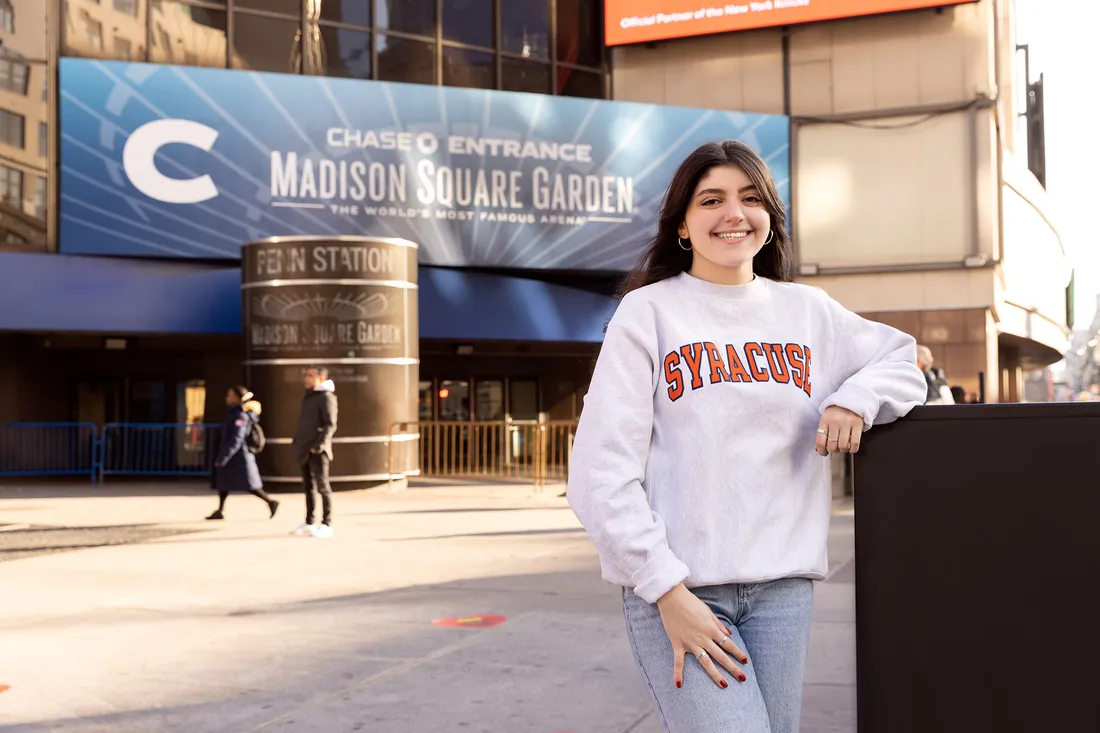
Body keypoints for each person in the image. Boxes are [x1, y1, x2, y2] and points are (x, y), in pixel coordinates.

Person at [566, 140, 927, 732]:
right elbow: (600, 472)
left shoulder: (809, 312)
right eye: (712, 199)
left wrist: (852, 400)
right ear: (682, 223)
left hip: (782, 594)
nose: (733, 213)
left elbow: (902, 360)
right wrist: (666, 592)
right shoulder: (649, 314)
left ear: (770, 218)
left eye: (751, 197)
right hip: (681, 593)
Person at [206, 386, 278, 521]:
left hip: (239, 457)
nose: (227, 398)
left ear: (237, 398)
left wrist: (224, 457)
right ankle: (220, 510)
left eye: (230, 395)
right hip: (232, 457)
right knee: (223, 483)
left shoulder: (240, 416)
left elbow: (237, 439)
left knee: (250, 485)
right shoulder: (233, 413)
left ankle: (270, 502)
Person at [291, 366, 338, 538]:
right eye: (306, 375)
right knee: (308, 487)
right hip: (303, 448)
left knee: (322, 486)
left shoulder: (326, 397)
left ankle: (326, 523)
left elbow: (330, 424)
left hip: (318, 450)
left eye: (311, 376)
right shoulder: (308, 396)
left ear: (321, 378)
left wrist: (318, 445)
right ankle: (309, 521)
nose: (307, 379)